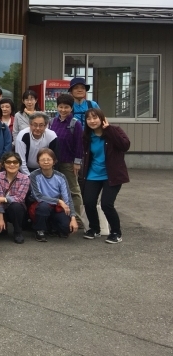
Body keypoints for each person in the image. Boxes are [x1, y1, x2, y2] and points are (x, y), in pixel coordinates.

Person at [81, 108, 130, 244]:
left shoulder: (115, 130)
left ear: (102, 118)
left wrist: (109, 130)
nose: (92, 121)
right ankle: (94, 229)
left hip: (112, 175)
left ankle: (116, 232)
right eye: (89, 119)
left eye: (95, 117)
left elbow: (125, 145)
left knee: (106, 204)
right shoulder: (87, 136)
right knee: (89, 202)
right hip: (93, 173)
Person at [49, 94, 84, 228]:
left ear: (71, 108)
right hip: (54, 162)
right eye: (61, 107)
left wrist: (77, 162)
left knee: (73, 190)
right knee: (57, 190)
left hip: (69, 162)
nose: (63, 110)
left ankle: (78, 219)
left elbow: (79, 145)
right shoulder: (52, 122)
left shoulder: (75, 124)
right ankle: (61, 217)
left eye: (66, 107)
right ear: (57, 107)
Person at [29, 148, 78, 242]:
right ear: (38, 162)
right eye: (42, 160)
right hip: (40, 205)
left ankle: (51, 225)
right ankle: (40, 229)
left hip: (56, 207)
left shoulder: (61, 176)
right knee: (43, 206)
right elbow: (38, 197)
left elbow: (68, 198)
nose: (46, 162)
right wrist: (58, 201)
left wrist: (73, 217)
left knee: (66, 229)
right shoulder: (34, 175)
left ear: (54, 161)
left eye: (49, 159)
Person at [0, 152, 30, 244]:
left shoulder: (25, 178)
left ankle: (18, 232)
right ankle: (3, 224)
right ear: (4, 164)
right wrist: (0, 218)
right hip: (1, 208)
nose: (12, 164)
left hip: (17, 209)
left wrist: (4, 199)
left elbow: (20, 198)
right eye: (8, 162)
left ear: (19, 164)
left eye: (15, 162)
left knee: (15, 206)